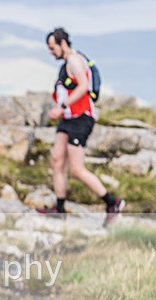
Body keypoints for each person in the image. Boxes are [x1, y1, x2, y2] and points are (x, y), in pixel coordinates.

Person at [40, 27, 125, 226]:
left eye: (52, 48)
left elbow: (83, 86)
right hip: (68, 119)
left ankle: (112, 203)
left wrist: (62, 107)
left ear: (62, 44)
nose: (51, 52)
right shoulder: (65, 64)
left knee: (77, 169)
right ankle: (59, 209)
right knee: (56, 160)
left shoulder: (74, 61)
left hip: (80, 118)